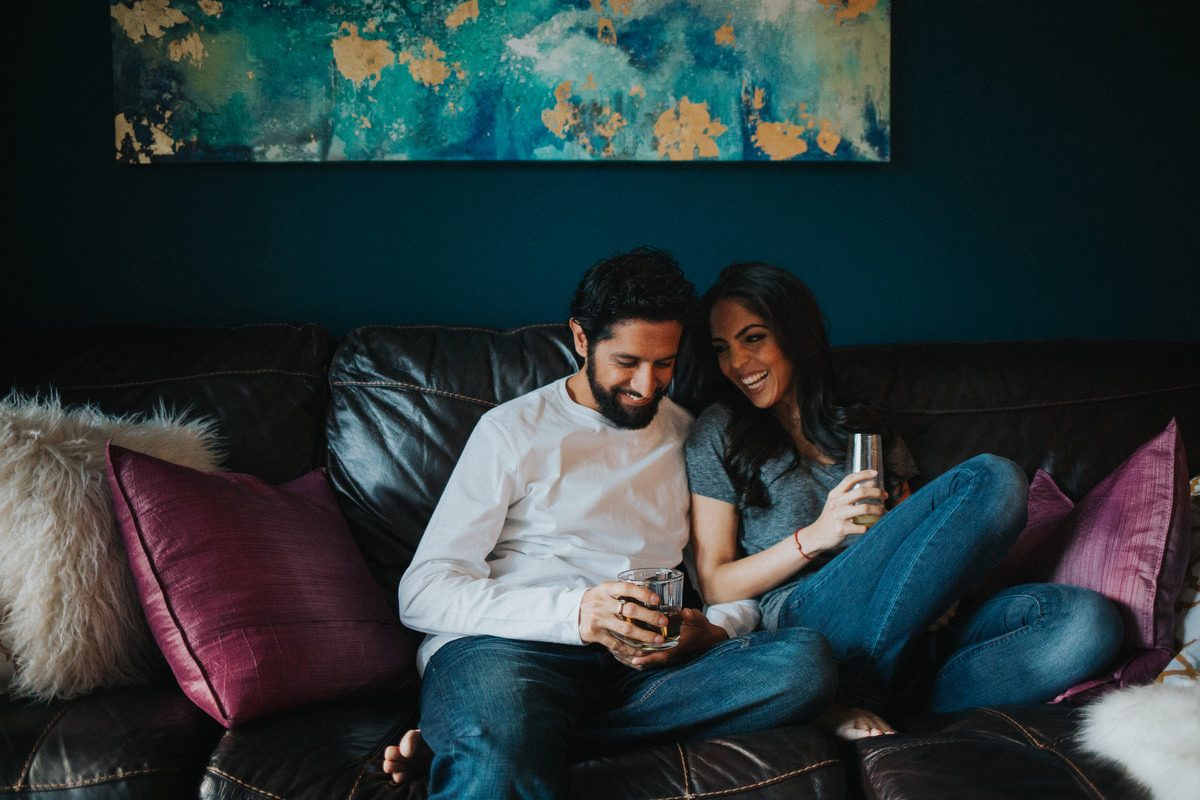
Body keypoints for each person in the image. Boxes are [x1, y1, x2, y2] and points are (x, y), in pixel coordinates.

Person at [384, 248, 837, 798]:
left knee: (803, 664)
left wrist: (713, 630)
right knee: (500, 760)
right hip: (510, 650)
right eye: (627, 363)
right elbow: (423, 590)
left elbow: (718, 573)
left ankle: (492, 739)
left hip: (642, 668)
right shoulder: (511, 430)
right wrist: (577, 614)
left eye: (665, 364)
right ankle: (496, 737)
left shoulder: (686, 433)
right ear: (581, 339)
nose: (647, 386)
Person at [684, 262, 1124, 738]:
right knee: (991, 476)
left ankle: (888, 703)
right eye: (722, 348)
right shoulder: (719, 430)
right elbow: (716, 584)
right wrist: (817, 536)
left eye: (753, 338)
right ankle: (831, 693)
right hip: (810, 618)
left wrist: (943, 585)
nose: (737, 364)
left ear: (794, 335)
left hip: (917, 628)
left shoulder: (863, 428)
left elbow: (924, 536)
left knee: (1087, 621)